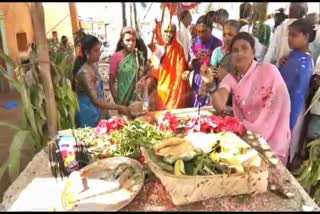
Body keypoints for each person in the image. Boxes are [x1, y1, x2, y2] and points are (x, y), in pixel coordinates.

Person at [211, 32, 291, 165]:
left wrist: (260, 128)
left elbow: (282, 104)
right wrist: (210, 85)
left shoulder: (268, 71)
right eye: (235, 50)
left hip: (274, 141)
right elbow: (219, 105)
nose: (239, 53)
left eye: (244, 48)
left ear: (253, 51)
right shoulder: (230, 78)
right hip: (249, 141)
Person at [278, 19, 315, 165]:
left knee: (285, 145)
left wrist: (289, 122)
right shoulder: (296, 56)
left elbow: (292, 91)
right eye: (289, 35)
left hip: (292, 109)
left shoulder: (301, 61)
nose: (289, 39)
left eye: (294, 35)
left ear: (306, 37)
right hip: (289, 107)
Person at [73, 35, 130, 128]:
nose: (99, 53)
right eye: (96, 50)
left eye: (99, 49)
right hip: (87, 114)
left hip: (97, 112)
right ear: (87, 52)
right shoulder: (84, 72)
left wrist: (107, 115)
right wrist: (119, 107)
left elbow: (100, 95)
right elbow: (96, 101)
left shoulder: (94, 65)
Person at [148, 23, 192, 110]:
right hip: (162, 88)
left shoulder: (179, 49)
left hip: (176, 90)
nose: (169, 34)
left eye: (171, 31)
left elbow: (181, 69)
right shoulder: (160, 48)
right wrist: (153, 34)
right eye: (166, 31)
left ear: (175, 33)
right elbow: (150, 45)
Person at [187, 15, 223, 107]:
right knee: (196, 109)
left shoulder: (218, 44)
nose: (201, 35)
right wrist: (195, 58)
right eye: (198, 31)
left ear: (211, 30)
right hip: (197, 81)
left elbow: (219, 68)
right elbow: (189, 66)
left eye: (204, 31)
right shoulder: (194, 42)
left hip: (211, 82)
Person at [109, 27, 146, 106]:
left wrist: (143, 78)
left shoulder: (138, 56)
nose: (131, 43)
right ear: (122, 42)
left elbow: (146, 71)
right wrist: (117, 102)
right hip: (122, 99)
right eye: (127, 40)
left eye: (133, 40)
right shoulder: (116, 57)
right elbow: (111, 82)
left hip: (137, 99)